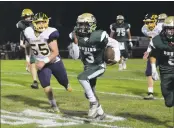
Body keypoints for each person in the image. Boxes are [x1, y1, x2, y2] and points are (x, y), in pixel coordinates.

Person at [69, 13, 120, 119]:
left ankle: (93, 103)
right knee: (89, 93)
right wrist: (74, 43)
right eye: (80, 24)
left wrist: (116, 58)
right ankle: (101, 113)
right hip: (88, 67)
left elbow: (115, 43)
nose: (81, 27)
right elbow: (75, 56)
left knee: (82, 78)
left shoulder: (99, 35)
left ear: (92, 25)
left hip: (99, 66)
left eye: (84, 24)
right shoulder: (76, 35)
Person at [24, 12, 72, 112]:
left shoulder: (50, 33)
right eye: (39, 22)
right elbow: (28, 47)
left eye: (43, 22)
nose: (41, 25)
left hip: (54, 62)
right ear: (34, 23)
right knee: (45, 85)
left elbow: (55, 52)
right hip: (42, 64)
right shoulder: (28, 32)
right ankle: (54, 106)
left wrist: (43, 62)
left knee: (63, 81)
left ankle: (66, 84)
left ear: (47, 22)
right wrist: (28, 60)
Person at [150, 16, 174, 107]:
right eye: (169, 29)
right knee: (169, 103)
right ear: (164, 29)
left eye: (173, 29)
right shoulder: (158, 40)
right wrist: (153, 69)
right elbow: (153, 55)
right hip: (165, 71)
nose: (171, 31)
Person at [141, 13, 162, 100]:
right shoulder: (144, 29)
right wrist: (149, 51)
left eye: (150, 22)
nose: (148, 24)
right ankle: (150, 93)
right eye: (147, 22)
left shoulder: (161, 27)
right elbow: (152, 41)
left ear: (156, 21)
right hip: (154, 49)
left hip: (165, 50)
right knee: (149, 72)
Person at [16, 8, 39, 89]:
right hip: (31, 45)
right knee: (32, 61)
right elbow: (22, 35)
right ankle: (35, 81)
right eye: (26, 17)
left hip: (40, 44)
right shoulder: (22, 26)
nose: (28, 18)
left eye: (29, 16)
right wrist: (23, 43)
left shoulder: (36, 23)